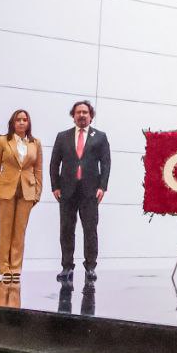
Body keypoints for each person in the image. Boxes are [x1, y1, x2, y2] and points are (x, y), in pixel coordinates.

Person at [50, 100, 111, 283]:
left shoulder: (100, 137)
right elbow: (54, 163)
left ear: (91, 116)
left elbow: (106, 163)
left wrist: (102, 187)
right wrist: (55, 186)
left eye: (85, 112)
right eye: (78, 112)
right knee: (66, 229)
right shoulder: (62, 136)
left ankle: (90, 267)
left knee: (90, 230)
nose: (82, 115)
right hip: (67, 191)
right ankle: (67, 266)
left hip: (90, 192)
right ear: (73, 116)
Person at [0, 109, 42, 281]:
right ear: (12, 123)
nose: (21, 122)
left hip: (27, 191)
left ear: (28, 123)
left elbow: (38, 169)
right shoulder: (3, 141)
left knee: (20, 231)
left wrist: (37, 193)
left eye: (24, 120)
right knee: (5, 231)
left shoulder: (35, 143)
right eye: (18, 120)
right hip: (6, 191)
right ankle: (4, 268)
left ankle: (16, 268)